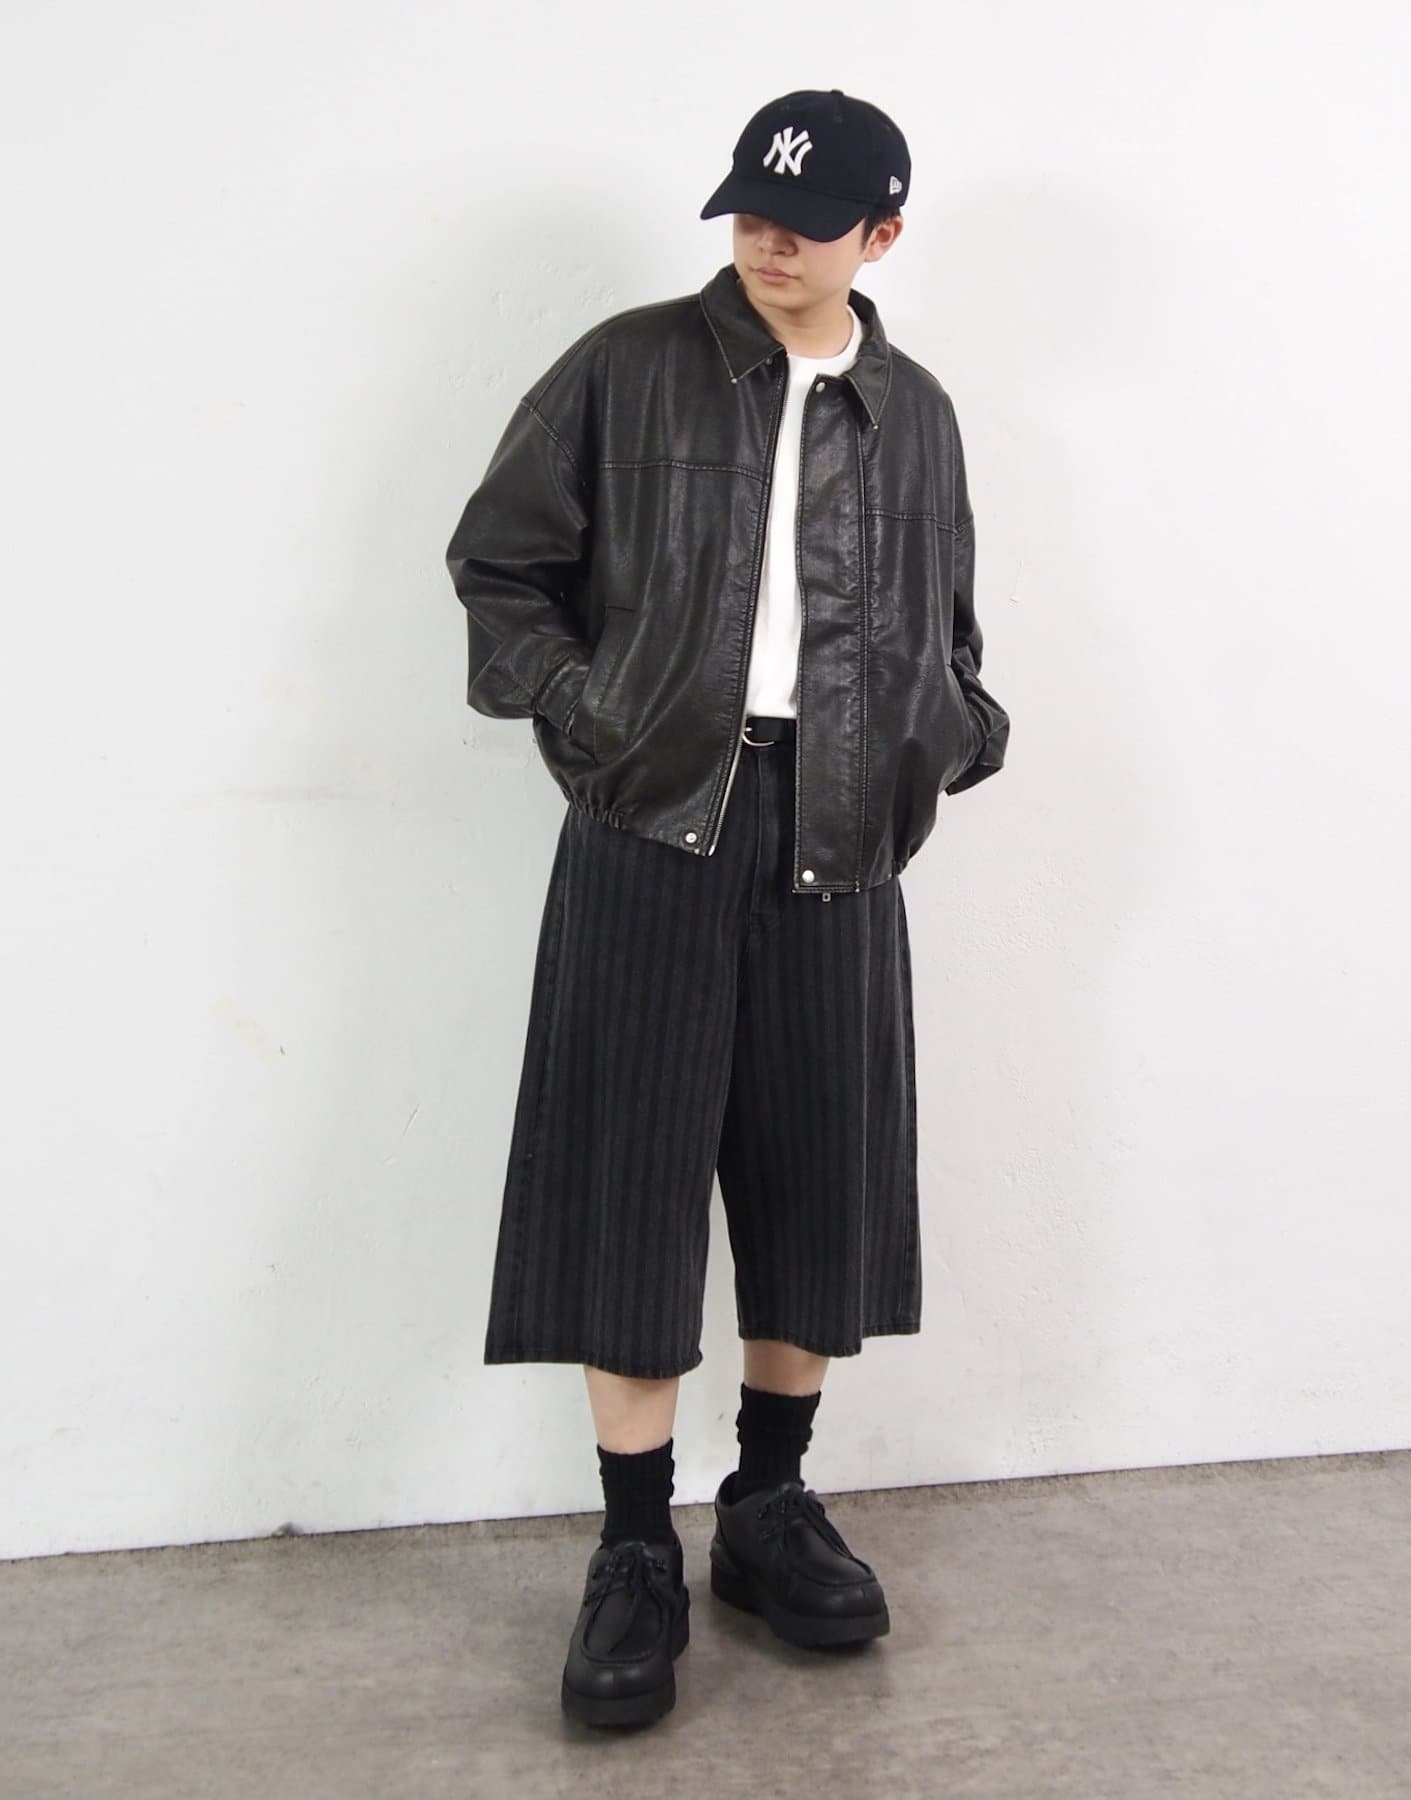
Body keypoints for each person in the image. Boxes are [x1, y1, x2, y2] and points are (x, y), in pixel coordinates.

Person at [444, 87, 1009, 1728]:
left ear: (881, 235)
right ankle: (635, 1545)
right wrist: (595, 715)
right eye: (751, 212)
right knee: (626, 1175)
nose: (768, 243)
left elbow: (948, 628)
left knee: (817, 1170)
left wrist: (948, 732)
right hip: (654, 816)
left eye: (807, 224)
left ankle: (768, 1504)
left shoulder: (917, 413)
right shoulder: (628, 368)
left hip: (839, 829)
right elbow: (500, 566)